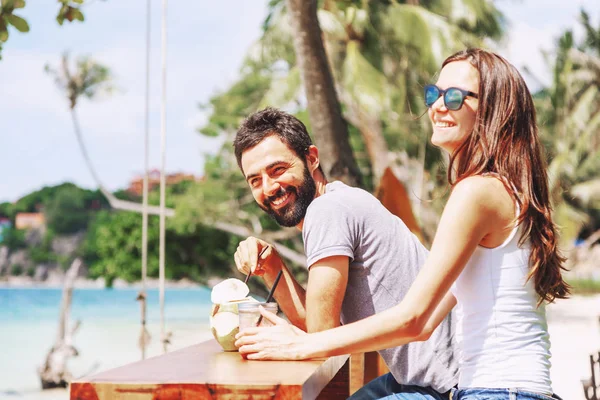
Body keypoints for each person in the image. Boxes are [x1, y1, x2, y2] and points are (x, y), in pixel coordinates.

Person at [235, 48, 570, 400]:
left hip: (498, 392)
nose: (437, 106)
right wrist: (294, 317)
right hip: (491, 389)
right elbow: (422, 323)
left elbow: (412, 319)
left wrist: (303, 346)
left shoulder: (478, 192)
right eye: (434, 94)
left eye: (454, 97)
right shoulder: (498, 188)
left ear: (493, 109)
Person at [232, 107, 458, 399]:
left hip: (445, 388)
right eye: (255, 181)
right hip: (417, 380)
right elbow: (322, 331)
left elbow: (319, 335)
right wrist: (274, 266)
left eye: (277, 170)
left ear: (311, 158)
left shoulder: (326, 210)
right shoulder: (341, 199)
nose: (269, 188)